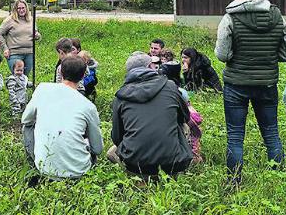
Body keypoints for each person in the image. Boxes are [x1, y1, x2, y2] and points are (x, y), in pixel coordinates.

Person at [214, 0, 286, 186]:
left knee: (236, 137)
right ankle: (279, 180)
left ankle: (234, 181)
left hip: (236, 85)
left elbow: (222, 55)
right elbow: (285, 54)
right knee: (271, 134)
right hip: (266, 84)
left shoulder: (229, 18)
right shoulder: (276, 16)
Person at [107, 52, 192, 180]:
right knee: (184, 126)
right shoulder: (170, 86)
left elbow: (117, 137)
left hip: (136, 164)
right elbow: (185, 117)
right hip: (173, 162)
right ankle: (173, 172)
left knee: (111, 152)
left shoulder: (121, 96)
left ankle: (139, 178)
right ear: (151, 66)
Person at [22, 56, 103, 180]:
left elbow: (26, 120)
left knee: (27, 127)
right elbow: (97, 148)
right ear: (83, 76)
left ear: (60, 72)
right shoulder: (88, 106)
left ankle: (35, 163)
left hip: (44, 168)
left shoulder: (42, 89)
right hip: (78, 172)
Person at [0, 0, 41, 76]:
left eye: (23, 8)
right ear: (15, 9)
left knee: (24, 77)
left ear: (26, 8)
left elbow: (36, 32)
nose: (21, 10)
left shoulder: (31, 19)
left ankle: (24, 87)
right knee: (17, 76)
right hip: (14, 53)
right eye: (19, 8)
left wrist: (37, 35)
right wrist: (5, 48)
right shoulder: (9, 20)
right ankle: (12, 87)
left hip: (29, 53)